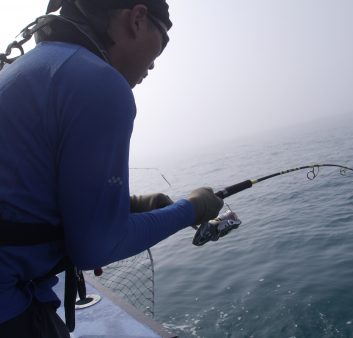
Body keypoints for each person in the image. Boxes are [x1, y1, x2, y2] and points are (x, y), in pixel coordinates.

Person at [0, 0, 223, 337]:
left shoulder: (31, 67)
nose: (153, 65)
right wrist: (191, 209)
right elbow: (96, 249)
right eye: (162, 43)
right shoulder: (99, 83)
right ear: (137, 18)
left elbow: (26, 191)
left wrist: (129, 205)